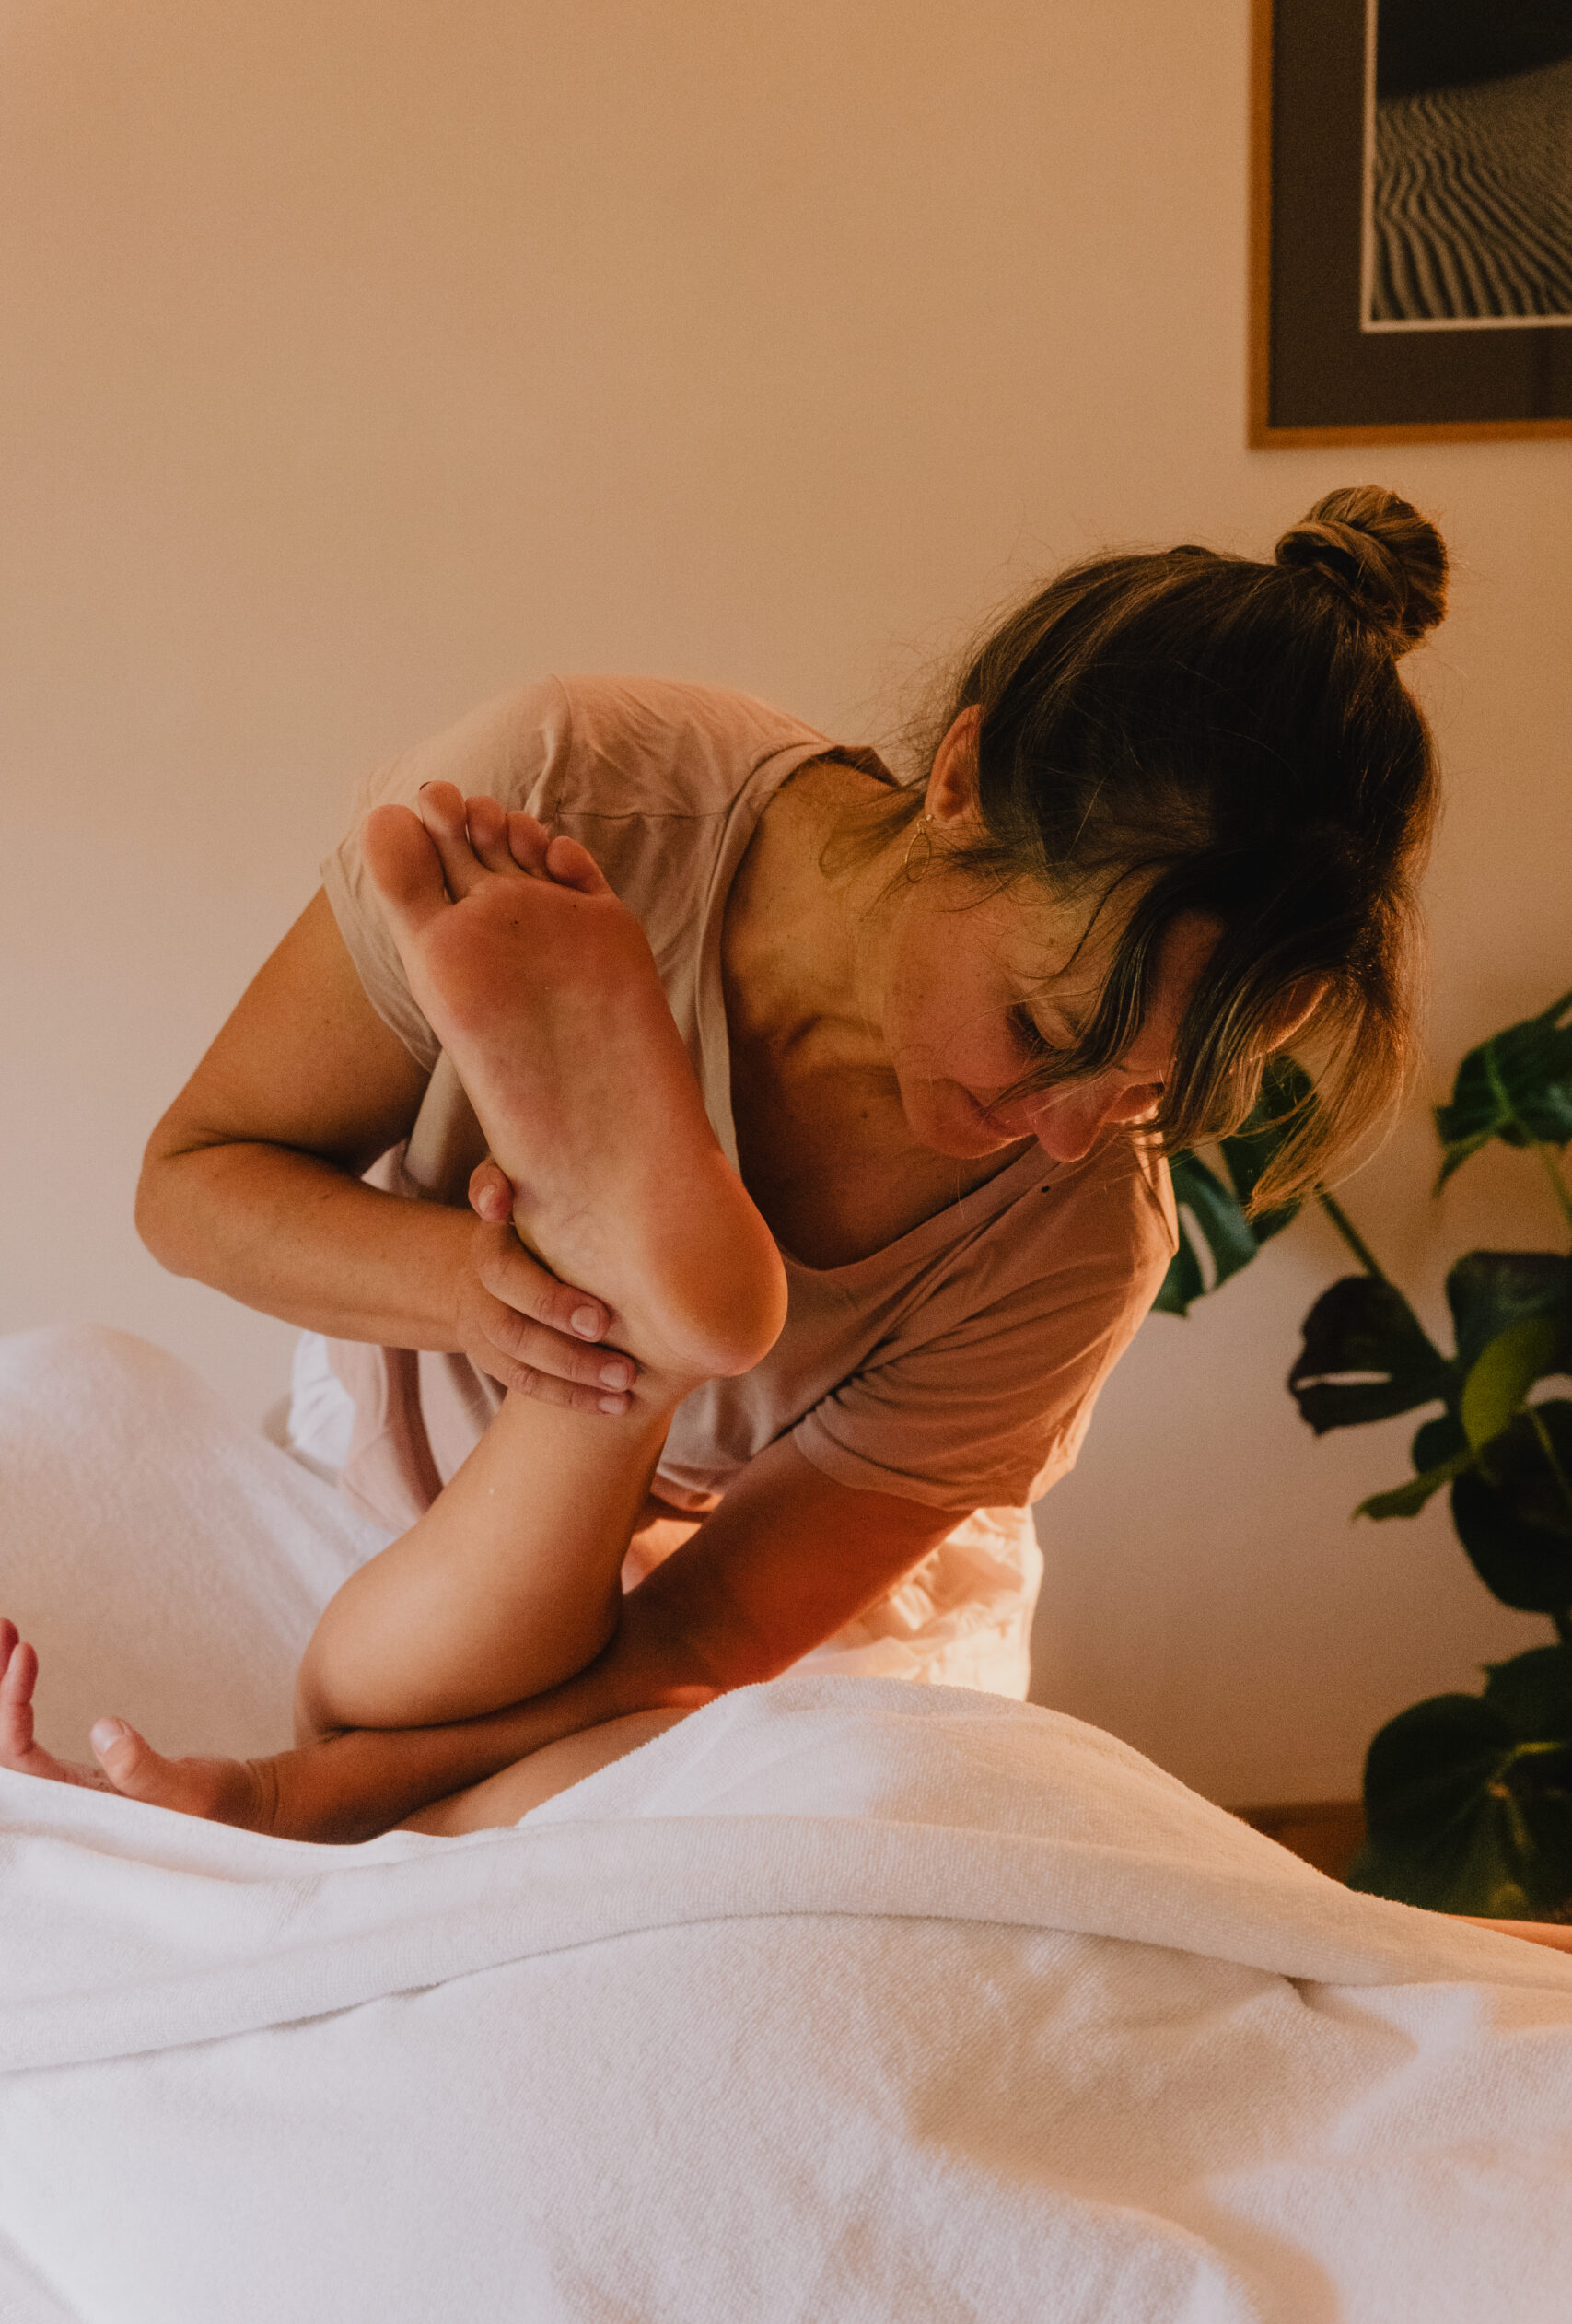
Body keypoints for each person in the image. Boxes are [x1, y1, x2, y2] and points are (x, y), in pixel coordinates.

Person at [1, 485, 1454, 1840]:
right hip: (429, 1452)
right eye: (1046, 1030)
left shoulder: (1080, 1240)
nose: (1070, 1134)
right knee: (439, 1697)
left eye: (1150, 1098)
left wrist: (296, 1794)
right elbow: (193, 1180)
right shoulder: (581, 793)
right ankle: (621, 1336)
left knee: (533, 1794)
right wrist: (494, 1295)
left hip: (745, 1619)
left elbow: (699, 1640)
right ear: (961, 778)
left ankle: (624, 1340)